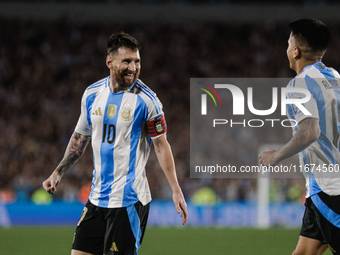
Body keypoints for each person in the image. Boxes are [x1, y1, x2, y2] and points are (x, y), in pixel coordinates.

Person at [43, 32, 188, 255]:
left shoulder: (148, 101)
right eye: (127, 61)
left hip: (128, 201)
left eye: (137, 61)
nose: (133, 67)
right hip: (97, 198)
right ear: (110, 61)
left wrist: (175, 189)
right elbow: (80, 137)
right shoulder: (92, 94)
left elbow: (161, 145)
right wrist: (58, 172)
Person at [259, 19, 340, 255]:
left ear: (295, 51)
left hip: (330, 189)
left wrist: (277, 155)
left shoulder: (299, 84)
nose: (286, 50)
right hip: (322, 189)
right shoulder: (335, 77)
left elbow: (310, 131)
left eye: (288, 44)